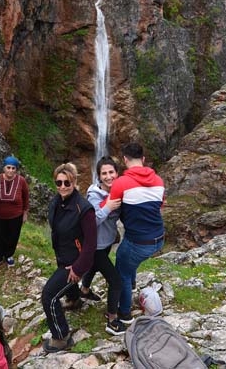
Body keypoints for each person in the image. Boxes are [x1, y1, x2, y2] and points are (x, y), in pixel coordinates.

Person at [41, 163, 96, 353]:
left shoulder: (84, 209)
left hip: (75, 262)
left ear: (74, 182)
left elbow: (90, 244)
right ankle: (74, 300)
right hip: (63, 255)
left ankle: (61, 336)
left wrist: (78, 268)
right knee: (63, 286)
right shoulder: (57, 201)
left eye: (67, 182)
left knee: (48, 296)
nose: (63, 186)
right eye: (59, 182)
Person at [108, 142, 165, 324]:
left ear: (125, 160)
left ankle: (124, 313)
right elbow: (159, 205)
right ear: (143, 159)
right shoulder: (159, 181)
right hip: (159, 238)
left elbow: (107, 207)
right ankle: (131, 285)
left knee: (122, 270)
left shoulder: (121, 183)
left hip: (139, 242)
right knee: (128, 257)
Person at [80, 157, 125, 335]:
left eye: (111, 172)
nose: (108, 176)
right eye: (104, 173)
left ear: (117, 173)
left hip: (106, 242)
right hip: (94, 245)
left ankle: (84, 290)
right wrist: (108, 206)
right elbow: (92, 222)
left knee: (93, 266)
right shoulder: (93, 196)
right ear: (98, 177)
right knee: (115, 281)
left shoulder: (119, 192)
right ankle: (112, 319)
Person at [0, 156, 29, 271]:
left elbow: (26, 197)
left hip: (16, 216)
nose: (10, 170)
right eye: (8, 167)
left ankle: (9, 255)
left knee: (13, 237)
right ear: (4, 168)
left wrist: (25, 213)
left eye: (13, 168)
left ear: (16, 169)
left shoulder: (21, 181)